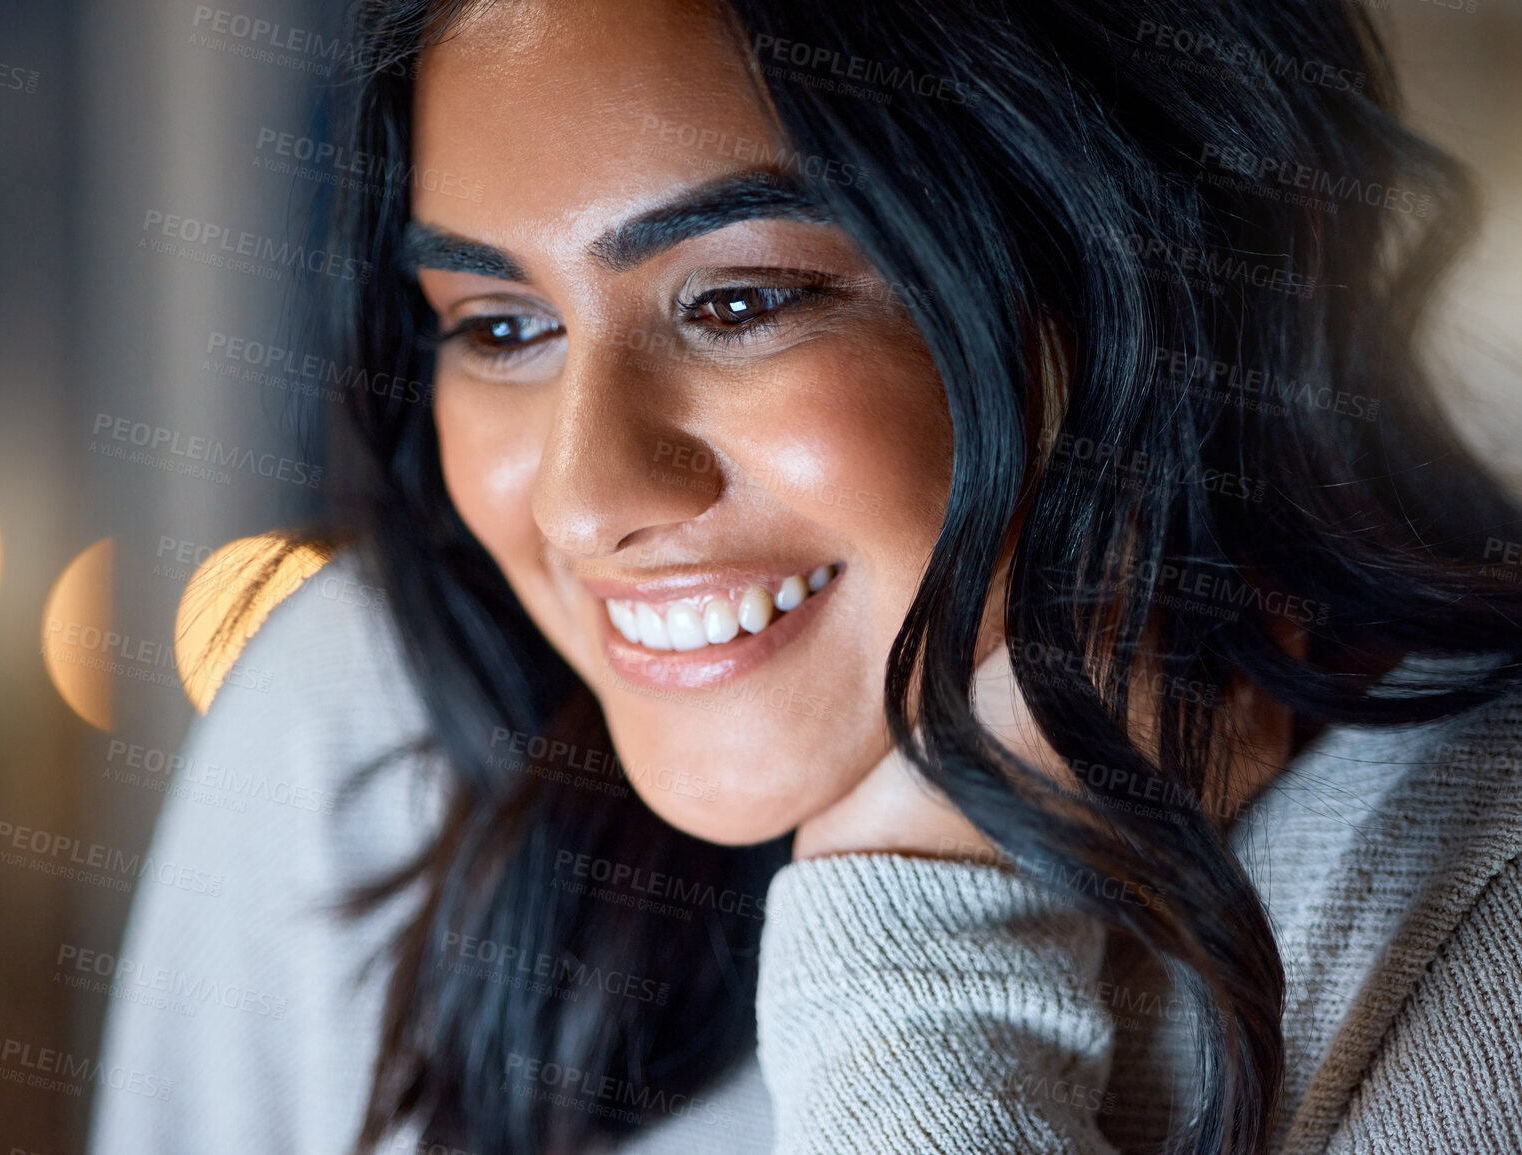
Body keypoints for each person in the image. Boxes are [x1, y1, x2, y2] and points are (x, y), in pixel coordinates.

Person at [90, 1, 1522, 1151]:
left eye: (740, 301)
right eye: (502, 325)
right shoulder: (371, 723)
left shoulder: (1472, 893)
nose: (589, 501)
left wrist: (927, 939)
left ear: (1124, 268)